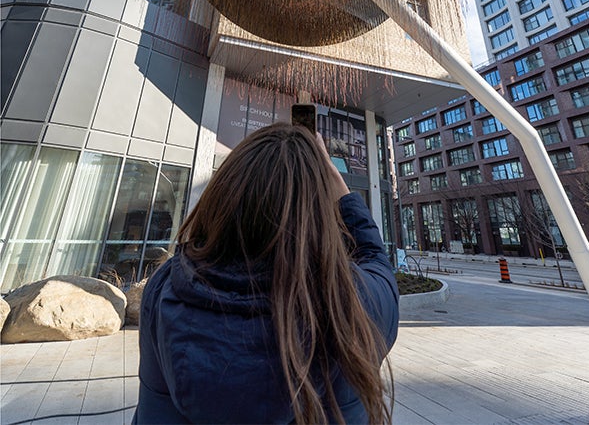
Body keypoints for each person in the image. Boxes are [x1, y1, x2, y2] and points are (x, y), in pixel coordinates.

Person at [134, 123, 397, 424]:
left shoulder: (167, 288)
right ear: (320, 217)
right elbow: (376, 260)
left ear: (222, 199)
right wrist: (344, 196)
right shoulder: (354, 301)